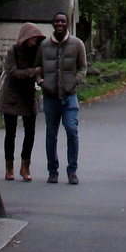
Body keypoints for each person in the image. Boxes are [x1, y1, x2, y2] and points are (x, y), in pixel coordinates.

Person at [39, 10, 87, 184]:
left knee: (72, 130)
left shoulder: (77, 44)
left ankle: (72, 170)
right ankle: (53, 171)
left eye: (63, 22)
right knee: (51, 135)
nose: (60, 24)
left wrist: (74, 82)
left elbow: (83, 68)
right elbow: (38, 67)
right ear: (53, 24)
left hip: (69, 97)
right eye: (57, 22)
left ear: (67, 24)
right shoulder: (44, 45)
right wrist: (41, 82)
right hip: (51, 96)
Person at [0, 23, 44, 181]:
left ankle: (25, 166)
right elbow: (13, 72)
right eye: (32, 38)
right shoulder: (13, 51)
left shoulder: (37, 52)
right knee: (10, 134)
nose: (34, 41)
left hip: (28, 95)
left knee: (30, 132)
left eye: (36, 39)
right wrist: (33, 72)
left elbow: (42, 66)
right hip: (11, 95)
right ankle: (9, 166)